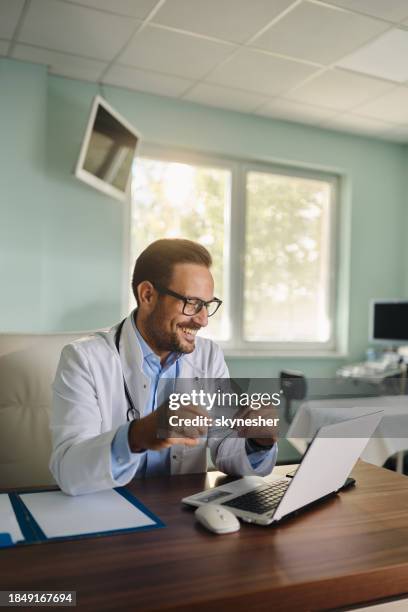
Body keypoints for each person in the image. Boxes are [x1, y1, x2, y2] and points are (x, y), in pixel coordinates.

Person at [49, 239, 277, 495]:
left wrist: (258, 441)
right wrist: (136, 436)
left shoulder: (208, 356)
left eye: (207, 305)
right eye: (192, 303)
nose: (202, 320)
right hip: (108, 512)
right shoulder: (84, 359)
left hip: (180, 514)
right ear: (147, 295)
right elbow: (68, 470)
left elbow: (225, 444)